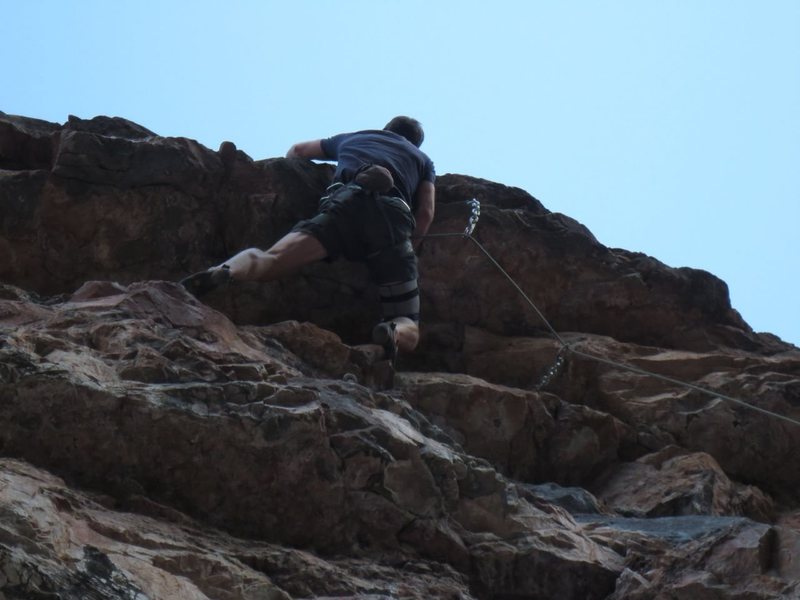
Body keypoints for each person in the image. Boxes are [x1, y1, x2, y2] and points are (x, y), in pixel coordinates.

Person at [180, 116, 436, 362]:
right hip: (392, 219)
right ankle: (393, 331)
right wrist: (410, 248)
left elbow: (299, 150)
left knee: (271, 258)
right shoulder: (422, 160)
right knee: (408, 321)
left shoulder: (355, 138)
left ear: (387, 128)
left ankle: (226, 270)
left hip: (345, 204)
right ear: (414, 142)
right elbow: (425, 212)